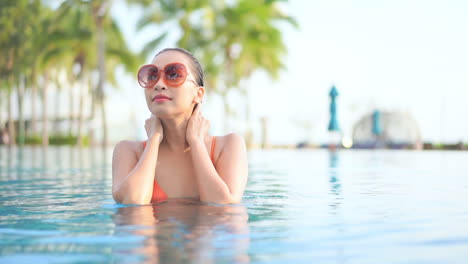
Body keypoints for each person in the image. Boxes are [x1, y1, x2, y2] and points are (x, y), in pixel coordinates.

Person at [112, 48, 248, 205]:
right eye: (151, 76)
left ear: (198, 94)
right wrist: (154, 140)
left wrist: (196, 141)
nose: (159, 84)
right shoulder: (129, 151)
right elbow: (133, 203)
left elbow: (222, 206)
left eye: (174, 74)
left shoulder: (228, 146)